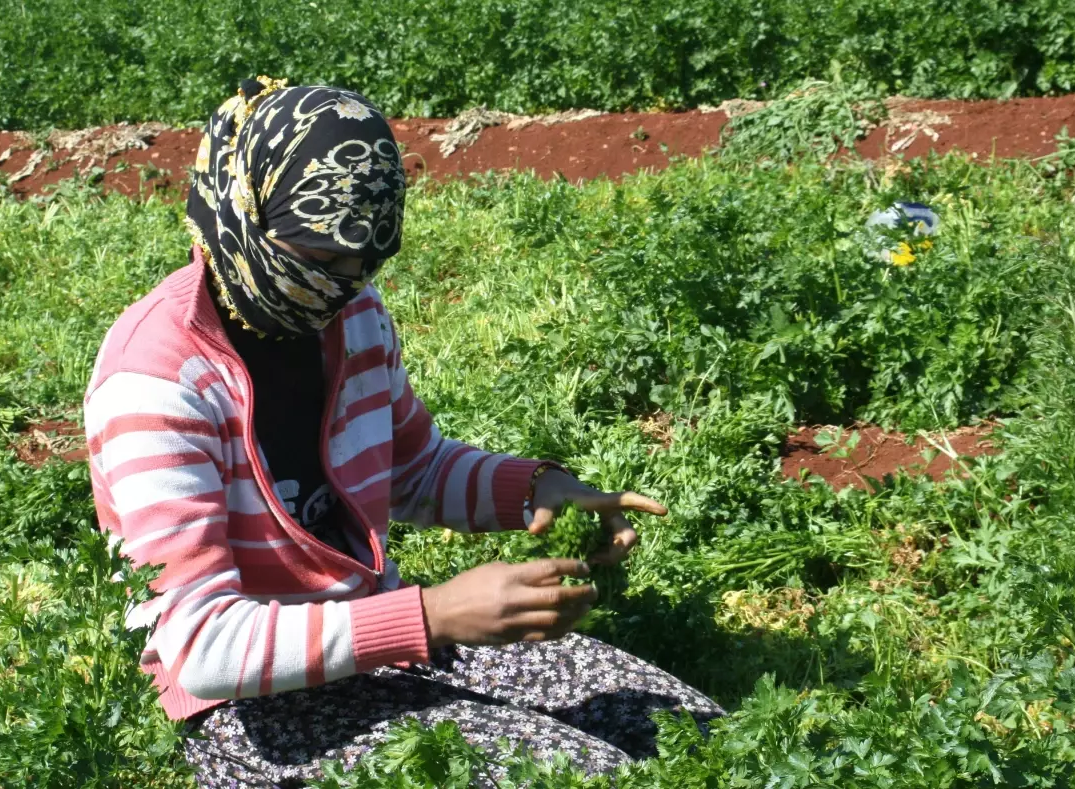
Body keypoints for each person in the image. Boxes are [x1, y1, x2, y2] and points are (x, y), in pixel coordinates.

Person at [84, 77, 721, 787]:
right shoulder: (159, 379)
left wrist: (538, 490)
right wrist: (435, 614)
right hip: (251, 708)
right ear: (245, 209)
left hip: (380, 638)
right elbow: (201, 644)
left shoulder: (349, 317)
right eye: (321, 260)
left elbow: (411, 469)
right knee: (593, 776)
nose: (342, 286)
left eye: (363, 264)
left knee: (688, 731)